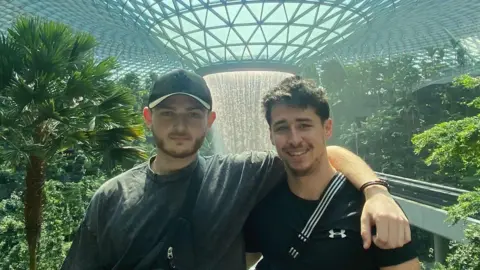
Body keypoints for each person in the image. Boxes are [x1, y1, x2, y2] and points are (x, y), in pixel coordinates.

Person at [61, 69, 411, 270]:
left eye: (193, 115)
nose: (180, 127)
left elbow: (321, 153)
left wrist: (375, 191)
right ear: (148, 118)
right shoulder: (110, 197)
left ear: (209, 121)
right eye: (168, 114)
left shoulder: (238, 176)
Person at [244, 76, 420, 270]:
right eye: (282, 128)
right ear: (270, 135)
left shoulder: (372, 210)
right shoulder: (263, 201)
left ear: (327, 128)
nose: (294, 139)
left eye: (304, 125)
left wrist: (376, 191)